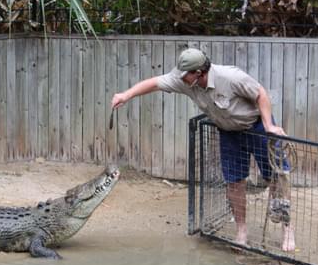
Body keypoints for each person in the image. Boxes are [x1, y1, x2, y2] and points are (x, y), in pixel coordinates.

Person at [110, 48, 295, 252]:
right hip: (228, 132)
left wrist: (269, 126)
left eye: (185, 74)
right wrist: (125, 95)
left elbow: (260, 93)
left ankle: (288, 230)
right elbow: (154, 82)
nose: (179, 78)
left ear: (199, 73)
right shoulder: (184, 78)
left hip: (257, 126)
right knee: (234, 182)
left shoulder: (230, 77)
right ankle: (241, 231)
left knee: (277, 178)